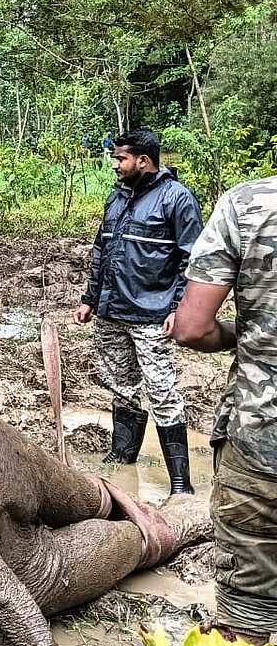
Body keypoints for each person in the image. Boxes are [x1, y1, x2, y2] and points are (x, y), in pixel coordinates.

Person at [172, 176, 277, 646]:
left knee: (246, 606)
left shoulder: (249, 205)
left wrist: (249, 339)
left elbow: (191, 327)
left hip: (262, 439)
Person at [73, 127, 203, 495]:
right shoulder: (116, 197)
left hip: (153, 316)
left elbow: (191, 260)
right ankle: (122, 457)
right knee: (121, 387)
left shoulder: (177, 200)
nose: (114, 164)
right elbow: (102, 250)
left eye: (120, 158)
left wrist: (179, 308)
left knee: (162, 392)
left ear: (143, 161)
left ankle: (181, 484)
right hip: (112, 312)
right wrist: (90, 298)